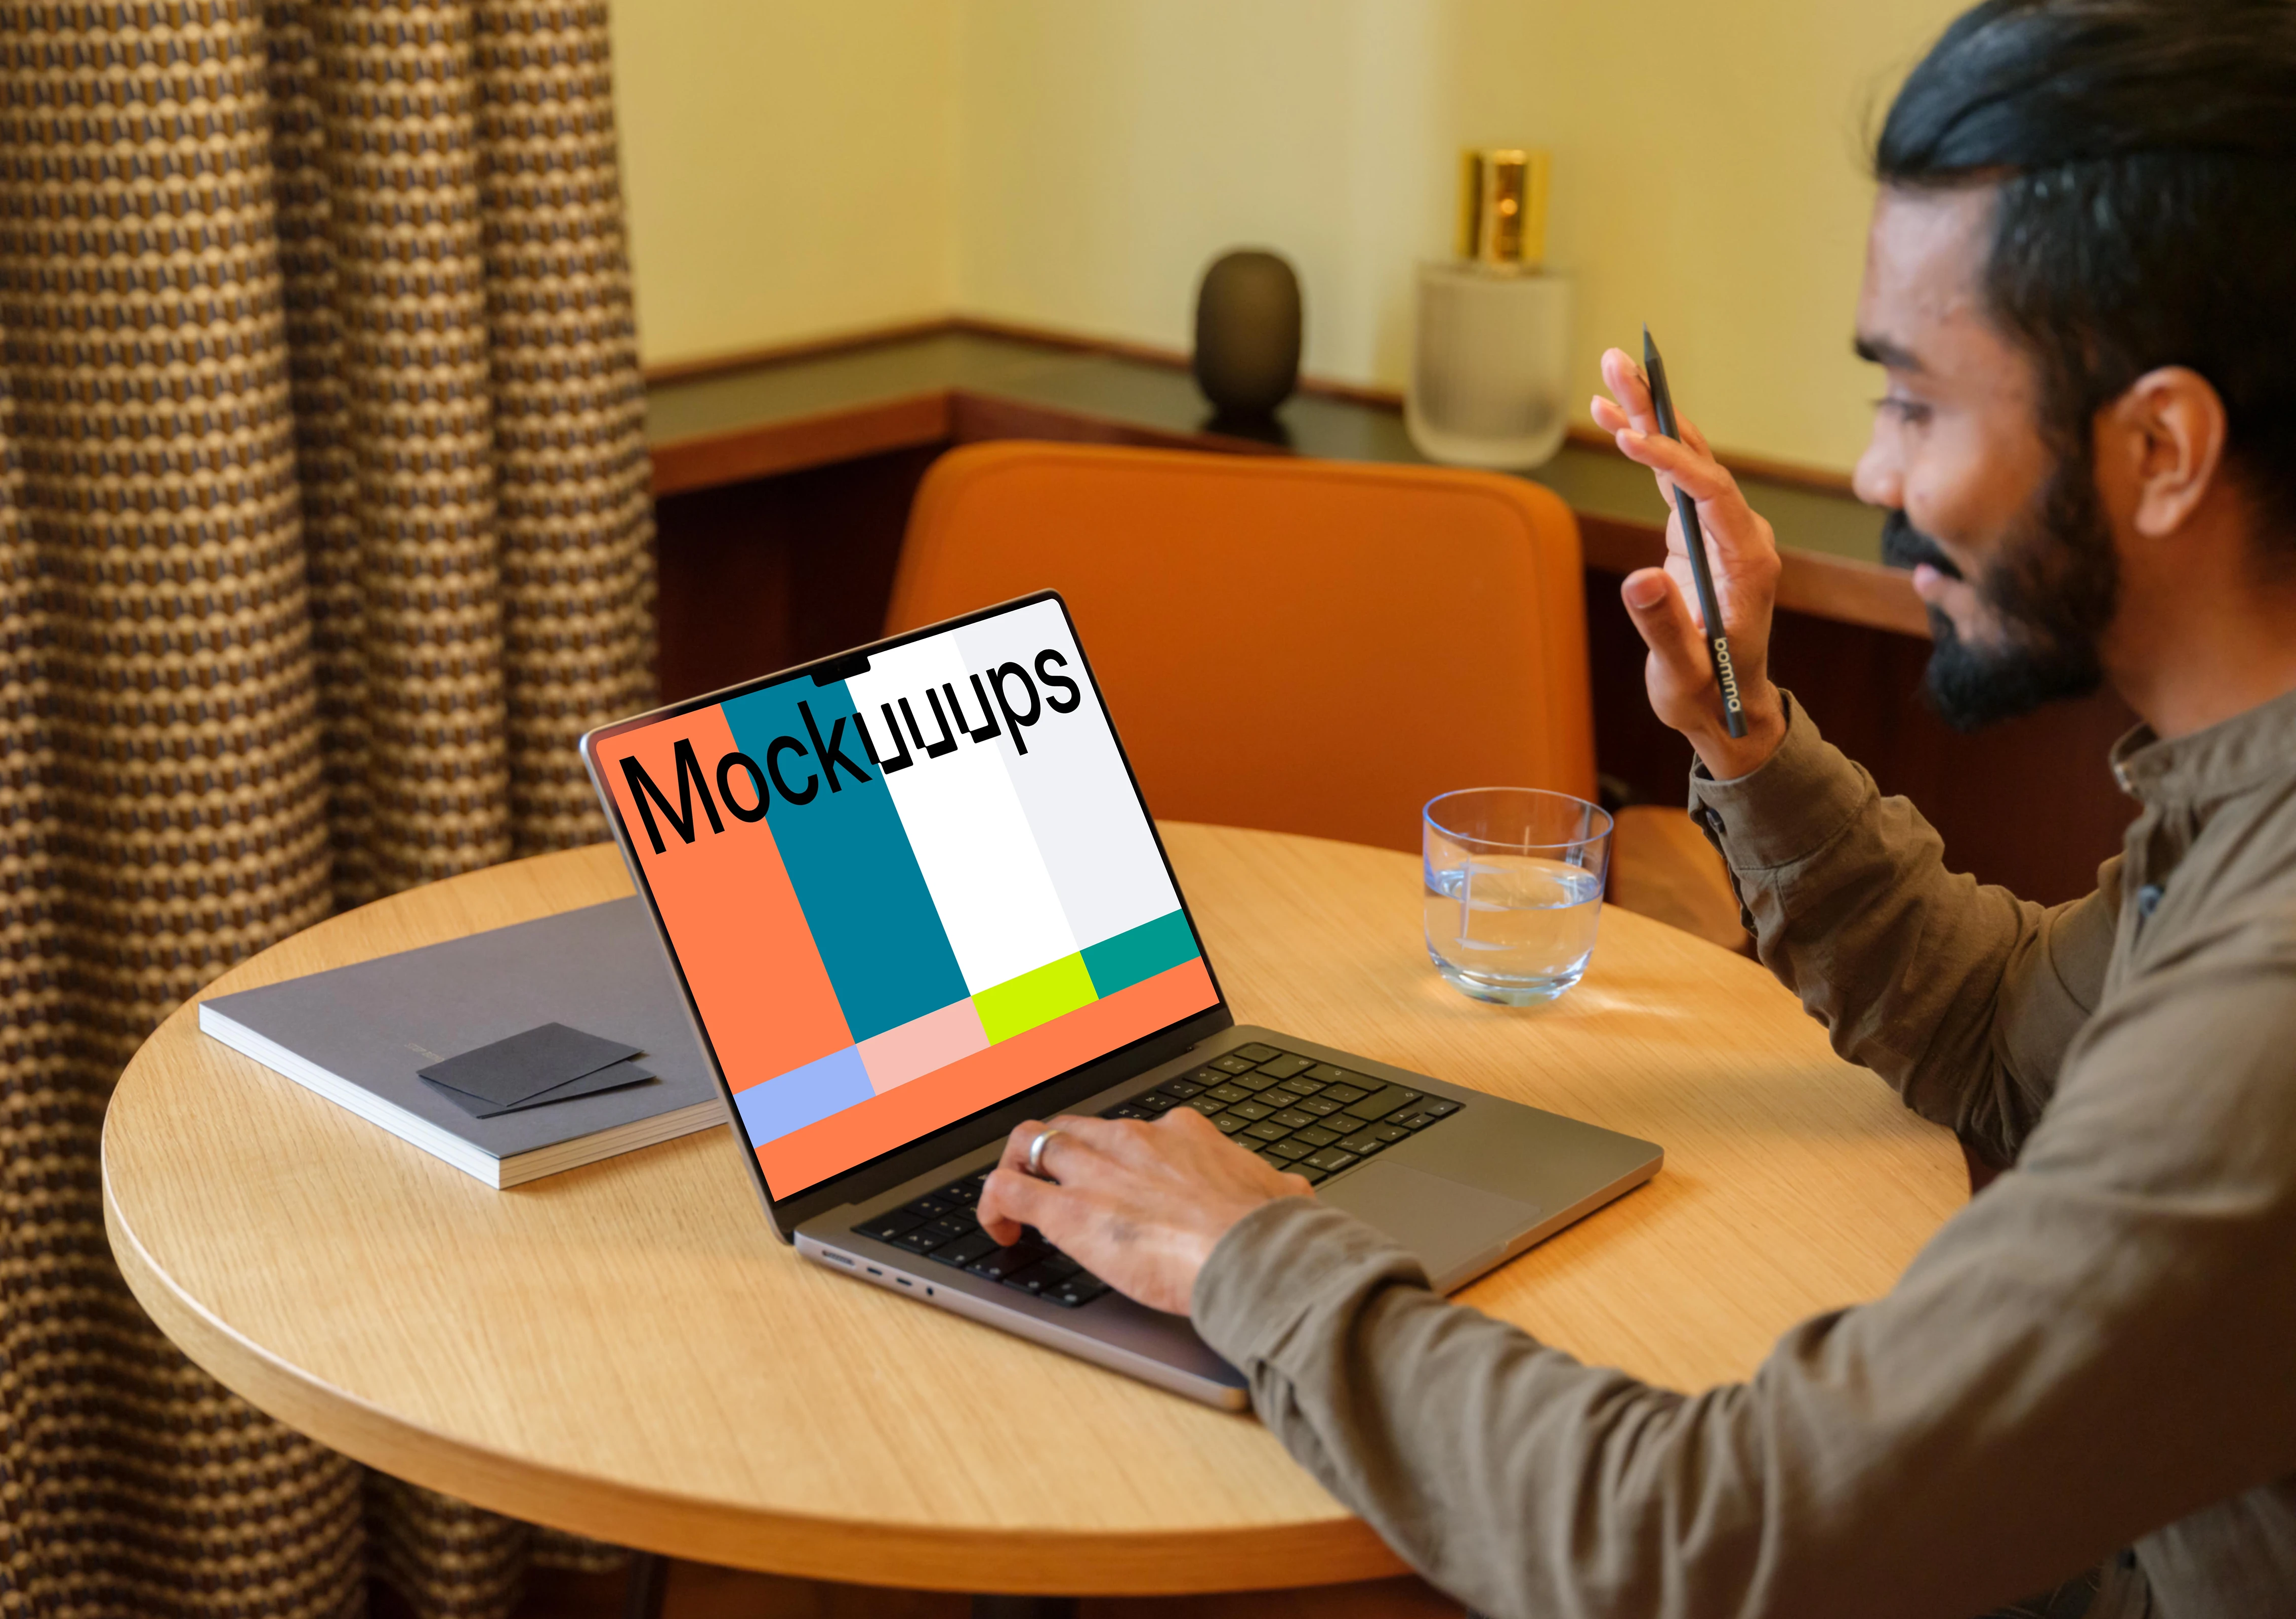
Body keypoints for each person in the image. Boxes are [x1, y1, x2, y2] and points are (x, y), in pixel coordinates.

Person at [973, 3, 2296, 1615]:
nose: (1873, 479)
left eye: (1918, 404)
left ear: (2161, 447)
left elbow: (1721, 1541)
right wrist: (1747, 740)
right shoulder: (2239, 807)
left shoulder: (2270, 995)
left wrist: (1247, 1252)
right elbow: (2013, 1038)